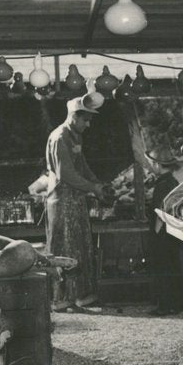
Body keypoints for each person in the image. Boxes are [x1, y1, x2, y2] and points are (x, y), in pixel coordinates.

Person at [44, 97, 109, 312]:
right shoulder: (60, 137)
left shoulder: (75, 137)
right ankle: (61, 297)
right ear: (74, 117)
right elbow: (67, 174)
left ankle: (81, 294)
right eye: (85, 120)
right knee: (65, 248)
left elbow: (82, 166)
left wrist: (97, 183)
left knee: (81, 247)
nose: (88, 125)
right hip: (62, 202)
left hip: (76, 200)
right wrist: (93, 188)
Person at [144, 146, 183, 316]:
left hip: (163, 232)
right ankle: (178, 303)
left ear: (157, 165)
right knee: (174, 267)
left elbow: (160, 212)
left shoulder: (162, 184)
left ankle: (165, 305)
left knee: (163, 269)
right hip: (172, 232)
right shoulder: (173, 181)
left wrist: (155, 236)